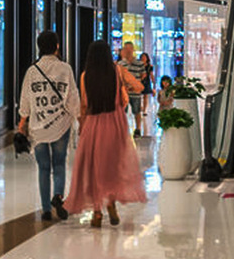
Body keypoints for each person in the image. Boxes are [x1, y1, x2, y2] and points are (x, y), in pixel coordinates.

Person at [65, 41, 147, 227]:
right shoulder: (117, 71)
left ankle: (97, 213)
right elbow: (139, 87)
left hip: (93, 125)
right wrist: (124, 89)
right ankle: (111, 204)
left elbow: (84, 105)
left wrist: (82, 127)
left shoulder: (85, 76)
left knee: (95, 169)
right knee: (112, 167)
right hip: (115, 123)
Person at [17, 31, 80, 221]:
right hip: (61, 124)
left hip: (38, 127)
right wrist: (79, 117)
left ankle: (45, 210)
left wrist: (22, 121)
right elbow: (72, 97)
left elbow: (25, 99)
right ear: (57, 46)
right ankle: (58, 196)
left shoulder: (32, 71)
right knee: (59, 163)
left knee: (43, 167)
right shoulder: (65, 69)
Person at [118, 42, 146, 136]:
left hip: (135, 92)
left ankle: (138, 129)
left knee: (137, 111)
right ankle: (122, 129)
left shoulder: (139, 63)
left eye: (130, 49)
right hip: (124, 92)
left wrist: (136, 84)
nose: (128, 51)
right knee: (122, 112)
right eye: (126, 49)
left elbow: (143, 75)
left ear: (133, 49)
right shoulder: (121, 64)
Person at [139, 53, 155, 131]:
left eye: (145, 57)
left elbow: (151, 75)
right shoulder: (138, 65)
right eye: (142, 57)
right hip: (139, 82)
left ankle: (144, 110)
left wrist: (153, 83)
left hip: (146, 82)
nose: (143, 59)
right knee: (139, 96)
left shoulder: (149, 67)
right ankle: (140, 108)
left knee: (145, 96)